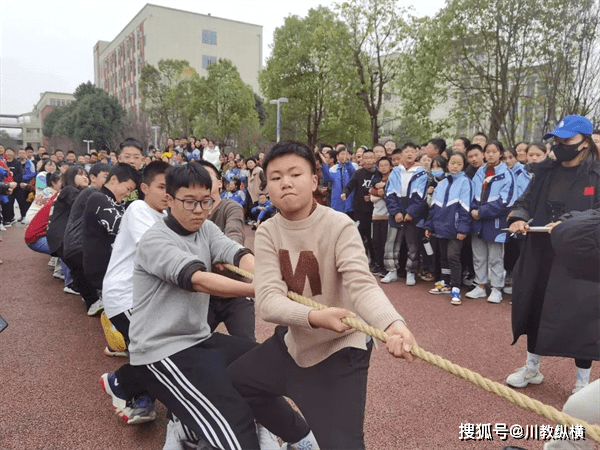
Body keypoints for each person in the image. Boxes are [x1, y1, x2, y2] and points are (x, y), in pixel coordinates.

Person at [225, 141, 417, 450]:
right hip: (293, 345)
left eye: (294, 174)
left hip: (340, 353)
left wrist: (392, 325)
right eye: (275, 178)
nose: (285, 182)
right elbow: (268, 301)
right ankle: (300, 437)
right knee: (235, 383)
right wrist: (314, 317)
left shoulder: (339, 226)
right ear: (266, 188)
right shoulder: (267, 232)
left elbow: (362, 284)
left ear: (315, 180)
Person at [109, 163, 301, 449]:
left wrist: (267, 277)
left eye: (206, 201)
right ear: (170, 200)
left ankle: (303, 439)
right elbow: (199, 280)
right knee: (232, 417)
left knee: (264, 365)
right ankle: (191, 429)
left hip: (198, 339)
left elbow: (236, 253)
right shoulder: (155, 240)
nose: (199, 209)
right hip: (162, 351)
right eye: (189, 202)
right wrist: (262, 289)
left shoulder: (207, 229)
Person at [506, 115, 600, 394]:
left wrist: (570, 223)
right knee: (535, 305)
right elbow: (525, 201)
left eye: (567, 140)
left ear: (584, 143)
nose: (560, 145)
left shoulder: (596, 174)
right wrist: (519, 218)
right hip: (540, 250)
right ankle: (532, 367)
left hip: (580, 257)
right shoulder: (544, 172)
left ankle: (582, 382)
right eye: (556, 139)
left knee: (582, 315)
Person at [99, 161, 169, 425]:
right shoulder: (138, 208)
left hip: (144, 297)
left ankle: (142, 401)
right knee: (156, 352)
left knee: (148, 351)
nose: (167, 193)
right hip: (125, 295)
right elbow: (155, 252)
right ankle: (120, 381)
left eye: (170, 188)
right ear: (144, 188)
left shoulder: (163, 216)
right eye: (161, 187)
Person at [197, 160, 257, 343]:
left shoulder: (231, 208)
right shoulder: (190, 214)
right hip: (204, 294)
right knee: (189, 344)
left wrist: (226, 254)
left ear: (219, 183)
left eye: (207, 177)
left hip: (236, 291)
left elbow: (234, 232)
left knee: (247, 345)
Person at [82, 163, 138, 315]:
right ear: (113, 179)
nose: (128, 194)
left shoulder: (114, 201)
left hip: (109, 265)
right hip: (102, 268)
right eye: (128, 189)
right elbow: (118, 227)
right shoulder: (98, 198)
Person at [467, 141, 516, 304]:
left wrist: (481, 212)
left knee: (495, 257)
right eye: (487, 151)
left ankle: (496, 288)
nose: (490, 154)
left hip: (495, 221)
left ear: (500, 153)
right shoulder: (480, 172)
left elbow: (506, 201)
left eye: (494, 151)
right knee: (479, 256)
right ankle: (480, 286)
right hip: (477, 221)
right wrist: (474, 210)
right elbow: (472, 195)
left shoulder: (506, 174)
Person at [424, 152, 473, 304]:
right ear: (448, 164)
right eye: (453, 163)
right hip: (440, 226)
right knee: (443, 256)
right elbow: (434, 207)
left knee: (453, 256)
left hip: (456, 227)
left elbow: (466, 207)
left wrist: (463, 229)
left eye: (459, 163)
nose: (455, 166)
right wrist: (430, 226)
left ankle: (456, 287)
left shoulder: (466, 182)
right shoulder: (442, 183)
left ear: (463, 165)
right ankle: (444, 282)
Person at [61, 164, 111, 306]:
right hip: (80, 246)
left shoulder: (86, 193)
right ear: (93, 178)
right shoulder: (93, 194)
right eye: (106, 177)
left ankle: (92, 300)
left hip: (70, 246)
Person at [382, 143, 428, 286]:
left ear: (416, 154)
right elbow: (389, 193)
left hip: (412, 214)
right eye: (406, 151)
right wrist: (395, 211)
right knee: (392, 242)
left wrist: (411, 212)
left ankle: (410, 272)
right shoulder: (395, 171)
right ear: (401, 154)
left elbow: (421, 196)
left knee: (412, 243)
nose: (409, 154)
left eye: (412, 151)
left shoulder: (422, 172)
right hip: (396, 211)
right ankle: (392, 271)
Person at [502, 147, 532, 295]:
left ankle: (519, 284)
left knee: (522, 249)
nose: (507, 161)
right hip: (509, 215)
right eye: (504, 158)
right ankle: (510, 276)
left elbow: (525, 195)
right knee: (510, 248)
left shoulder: (524, 172)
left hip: (523, 214)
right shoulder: (504, 172)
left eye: (510, 157)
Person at [341, 148, 379, 260]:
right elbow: (350, 185)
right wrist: (345, 193)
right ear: (362, 160)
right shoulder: (358, 173)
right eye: (366, 158)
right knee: (359, 236)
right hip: (360, 211)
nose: (368, 161)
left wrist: (372, 197)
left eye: (371, 158)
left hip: (375, 211)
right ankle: (359, 259)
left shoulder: (378, 174)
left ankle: (374, 261)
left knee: (372, 238)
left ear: (375, 159)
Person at [369, 156, 392, 277]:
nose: (383, 167)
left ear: (391, 166)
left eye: (386, 165)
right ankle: (378, 265)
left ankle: (385, 267)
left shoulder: (393, 179)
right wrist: (377, 193)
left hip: (387, 217)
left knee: (386, 243)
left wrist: (381, 193)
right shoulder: (375, 179)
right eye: (381, 165)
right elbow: (372, 197)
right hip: (376, 216)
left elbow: (391, 197)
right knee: (376, 242)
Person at [319, 146, 357, 218]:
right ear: (337, 156)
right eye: (342, 154)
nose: (344, 156)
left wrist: (347, 163)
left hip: (350, 205)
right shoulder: (334, 169)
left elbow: (353, 174)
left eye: (346, 154)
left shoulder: (353, 166)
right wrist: (324, 165)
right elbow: (327, 178)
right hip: (337, 205)